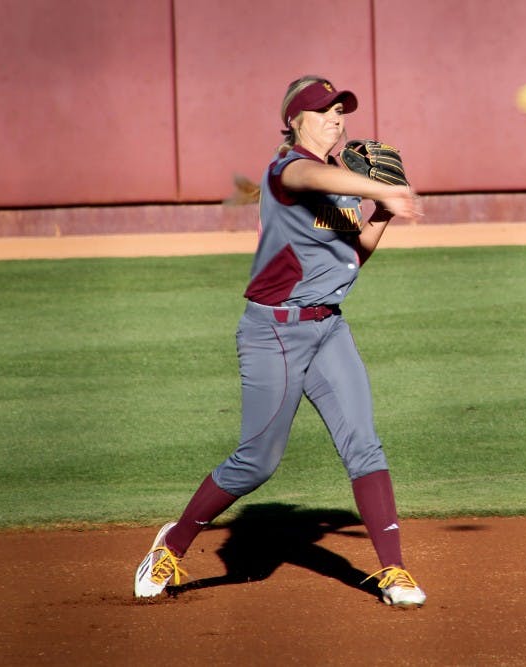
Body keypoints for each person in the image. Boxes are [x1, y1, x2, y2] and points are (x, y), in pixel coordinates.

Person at [134, 75, 426, 608]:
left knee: (363, 443)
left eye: (341, 109)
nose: (337, 118)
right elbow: (305, 173)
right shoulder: (288, 169)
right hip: (274, 332)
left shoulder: (338, 177)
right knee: (257, 462)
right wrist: (382, 188)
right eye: (324, 110)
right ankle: (170, 546)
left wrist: (381, 213)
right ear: (296, 120)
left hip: (328, 327)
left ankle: (395, 571)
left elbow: (350, 255)